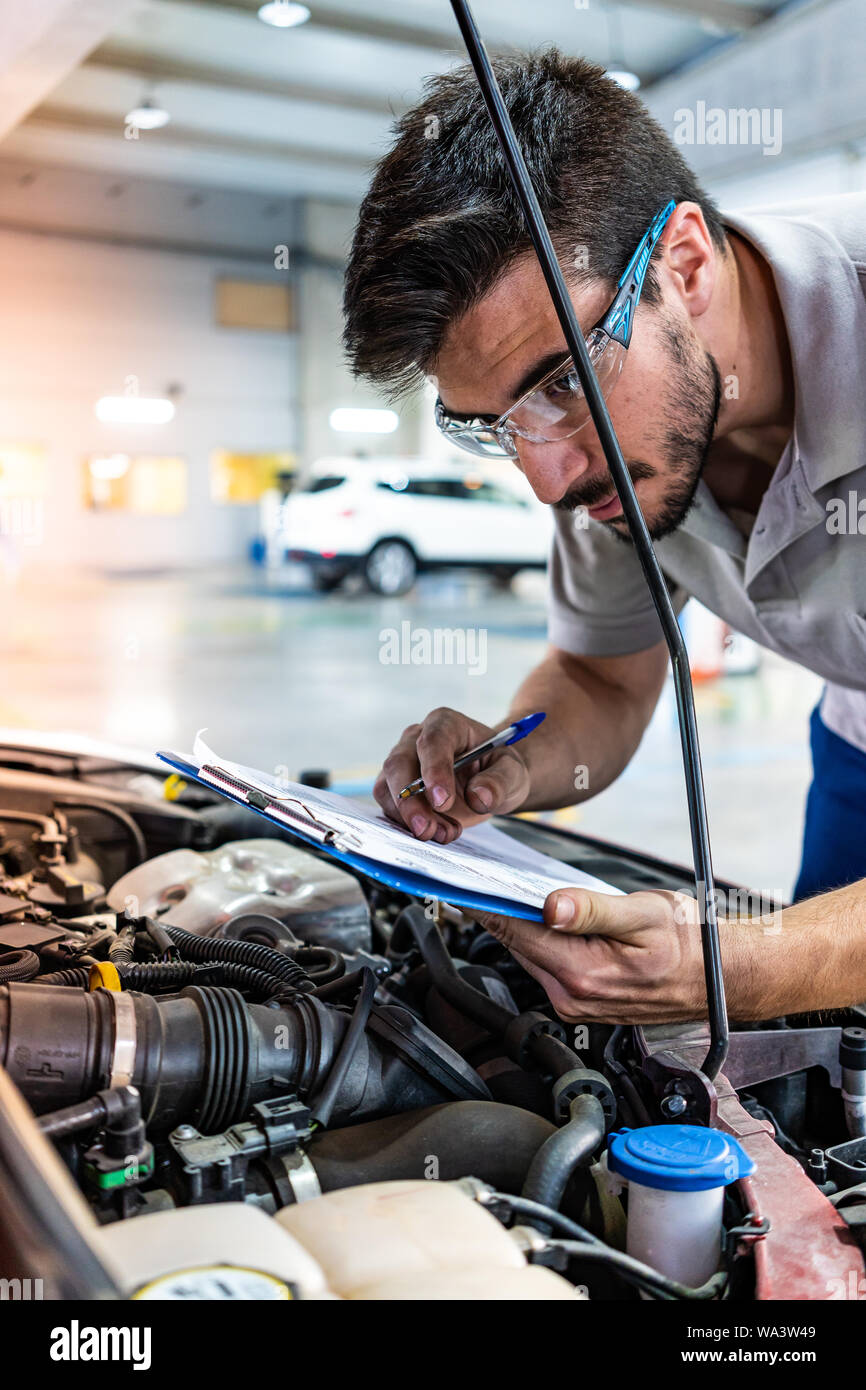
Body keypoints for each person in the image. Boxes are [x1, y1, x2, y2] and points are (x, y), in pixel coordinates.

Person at [342, 51, 866, 1022]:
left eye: (560, 383)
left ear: (685, 265)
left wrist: (741, 966)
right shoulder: (606, 458)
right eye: (494, 424)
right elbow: (602, 681)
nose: (546, 478)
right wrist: (509, 766)